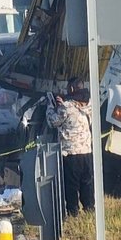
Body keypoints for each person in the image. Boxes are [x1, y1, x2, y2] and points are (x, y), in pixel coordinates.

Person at [46, 80, 95, 216]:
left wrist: (51, 106)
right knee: (87, 182)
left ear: (72, 88)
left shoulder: (66, 107)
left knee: (71, 185)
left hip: (70, 152)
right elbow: (76, 106)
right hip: (86, 151)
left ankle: (73, 211)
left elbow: (53, 121)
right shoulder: (90, 104)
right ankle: (89, 208)